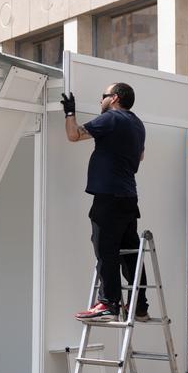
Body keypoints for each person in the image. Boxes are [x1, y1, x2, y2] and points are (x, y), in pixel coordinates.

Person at [61, 83, 148, 322]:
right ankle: (140, 306)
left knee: (106, 251)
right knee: (130, 254)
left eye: (103, 96)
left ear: (115, 98)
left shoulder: (112, 118)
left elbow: (74, 135)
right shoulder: (137, 123)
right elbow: (140, 156)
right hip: (129, 197)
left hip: (109, 197)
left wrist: (70, 112)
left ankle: (108, 303)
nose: (101, 100)